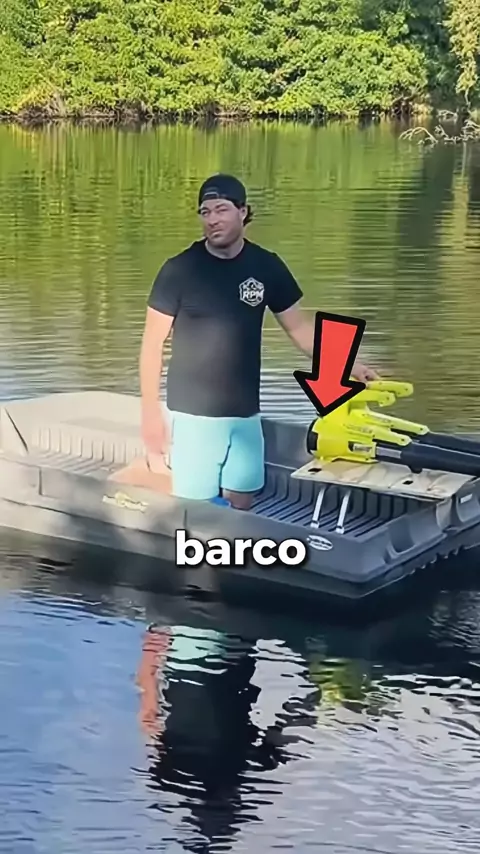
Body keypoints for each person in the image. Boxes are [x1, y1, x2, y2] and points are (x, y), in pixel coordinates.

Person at [139, 173, 378, 509]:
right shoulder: (179, 270)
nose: (212, 219)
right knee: (197, 511)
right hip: (194, 415)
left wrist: (350, 366)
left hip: (245, 412)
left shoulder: (266, 266)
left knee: (242, 499)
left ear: (243, 211)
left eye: (221, 209)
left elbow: (300, 328)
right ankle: (145, 488)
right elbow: (151, 345)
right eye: (205, 212)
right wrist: (150, 415)